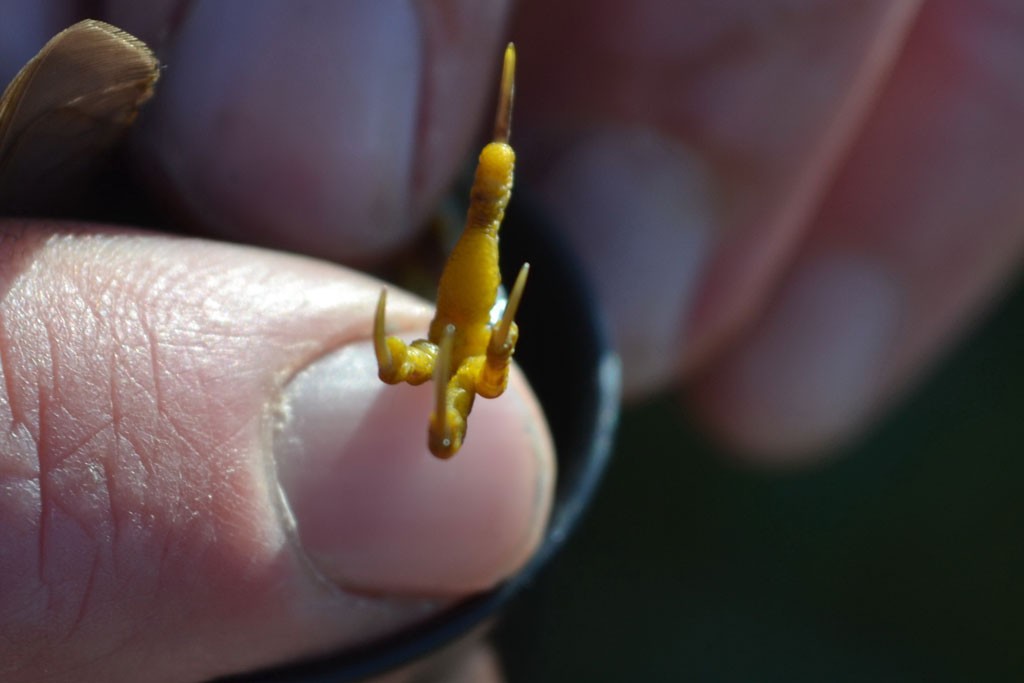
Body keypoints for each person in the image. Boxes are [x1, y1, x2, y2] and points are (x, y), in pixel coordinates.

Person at [1, 1, 1020, 681]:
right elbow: (432, 354)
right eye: (445, 433)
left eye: (444, 433)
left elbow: (428, 352)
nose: (443, 439)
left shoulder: (447, 364)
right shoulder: (455, 369)